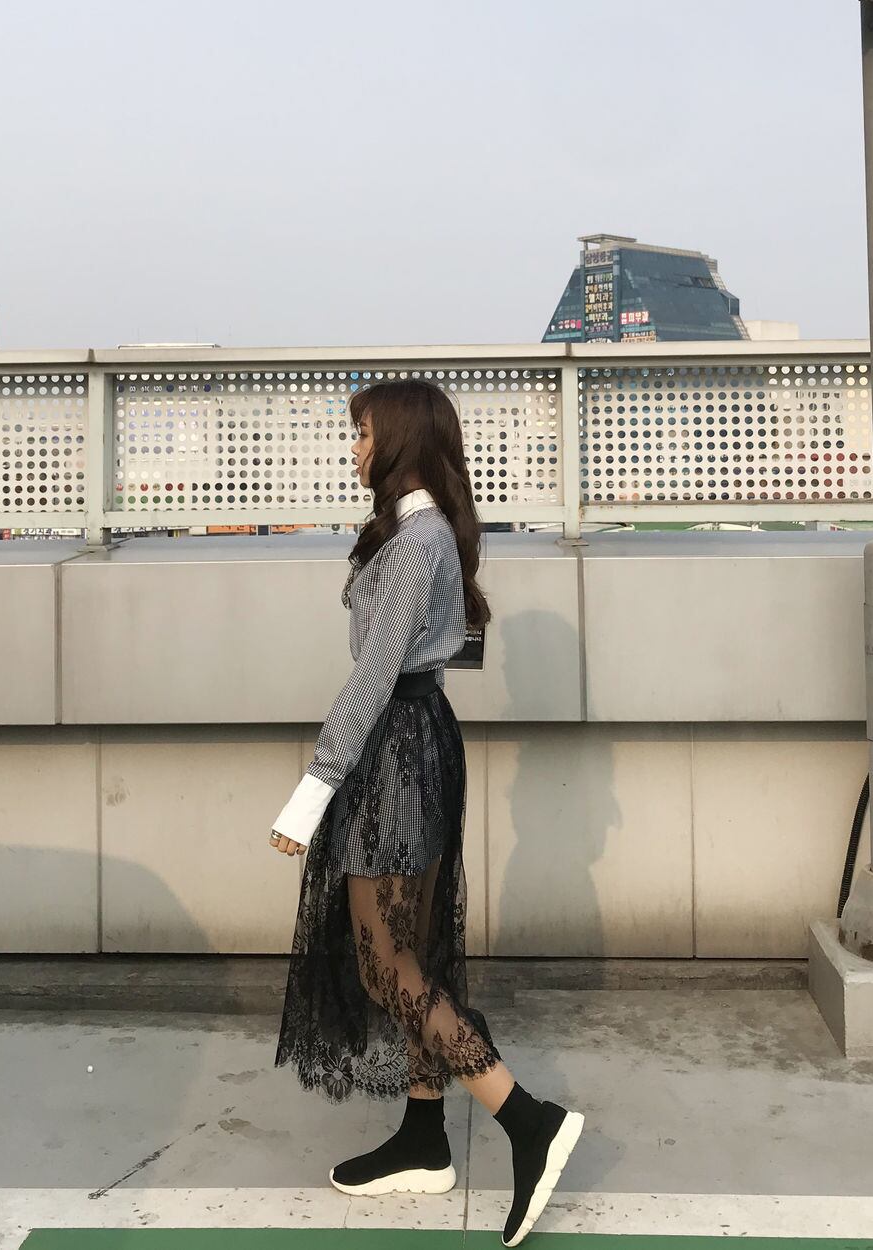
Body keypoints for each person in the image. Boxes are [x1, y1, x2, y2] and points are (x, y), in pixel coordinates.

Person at [268, 378, 584, 1247]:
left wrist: (313, 788)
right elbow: (431, 647)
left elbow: (375, 674)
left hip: (398, 749)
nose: (355, 447)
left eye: (364, 433)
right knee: (414, 951)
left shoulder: (418, 541)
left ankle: (528, 1120)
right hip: (417, 740)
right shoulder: (423, 533)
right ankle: (423, 1135)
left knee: (386, 964)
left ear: (400, 440)